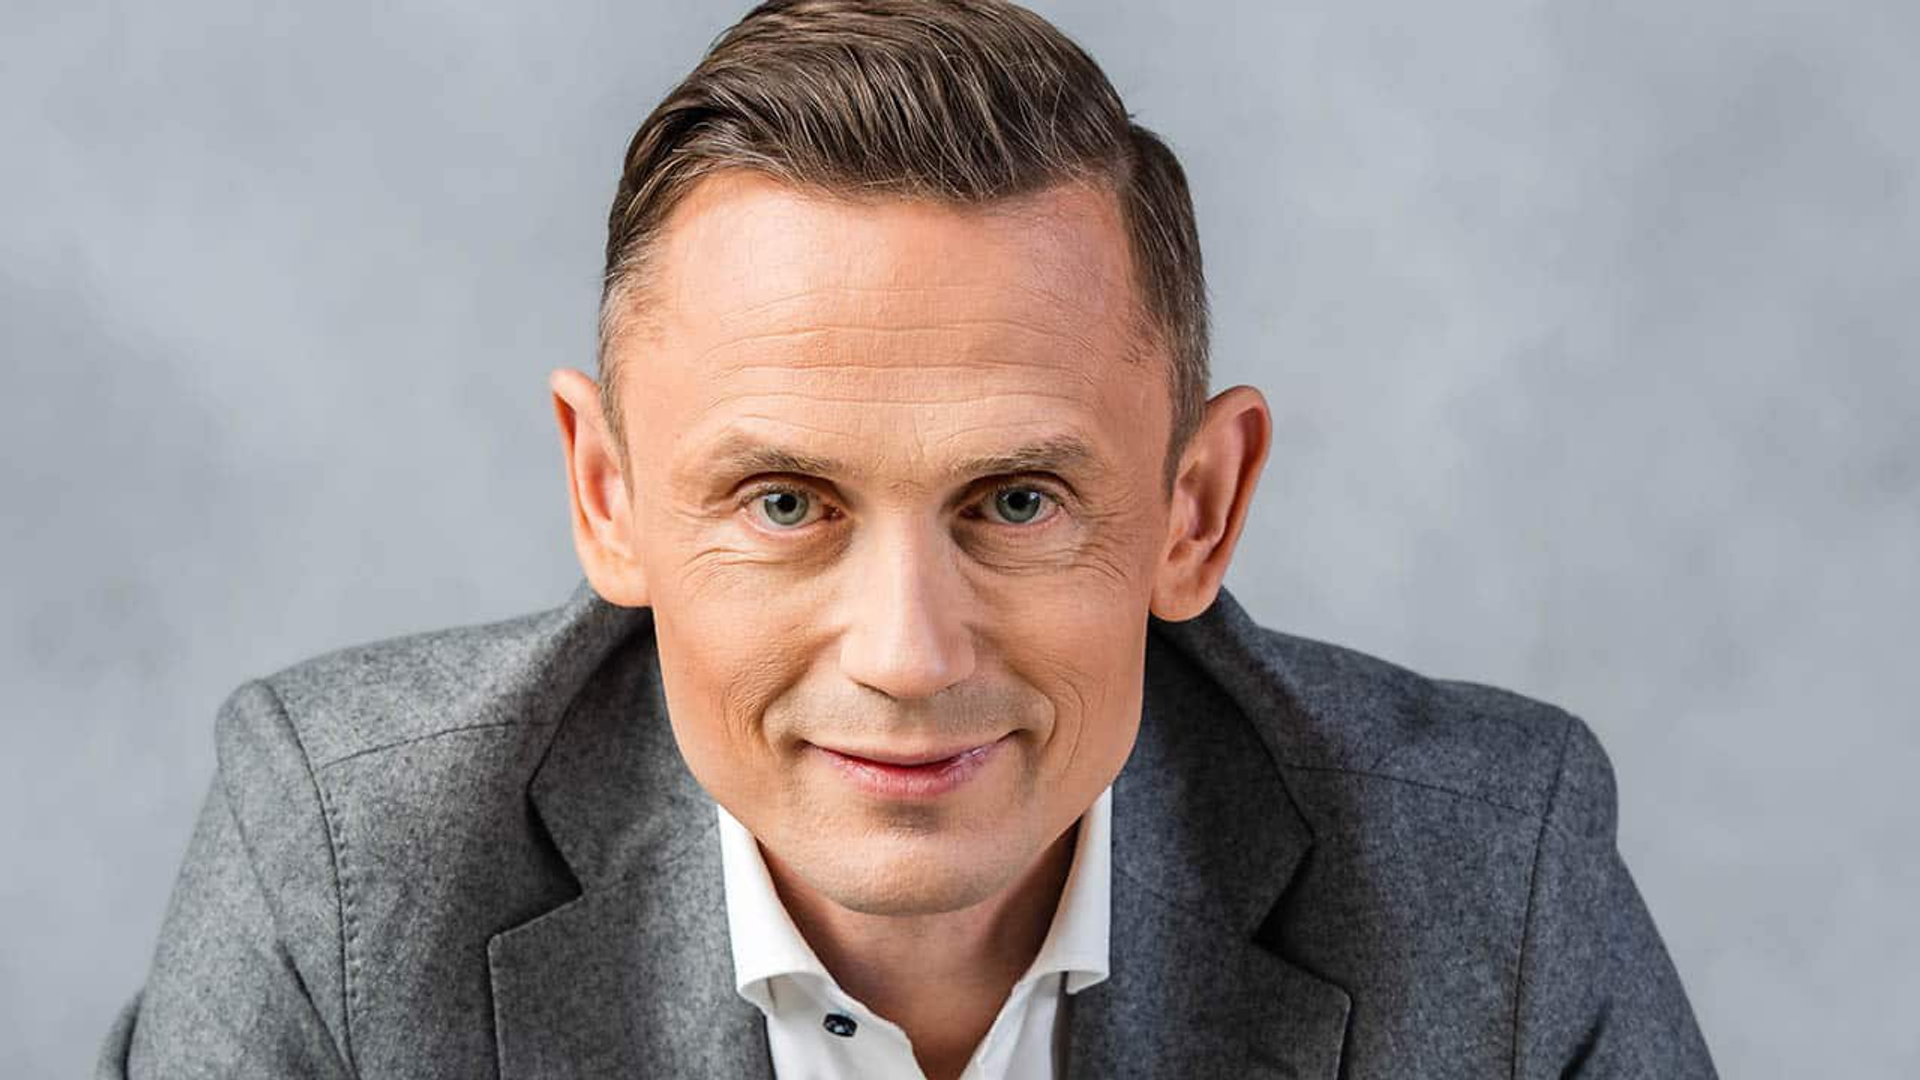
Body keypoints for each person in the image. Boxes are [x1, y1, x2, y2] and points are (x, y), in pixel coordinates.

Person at [98, 1, 1717, 1077]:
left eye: (1016, 503)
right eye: (784, 504)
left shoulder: (1488, 873)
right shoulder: (347, 867)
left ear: (1196, 510)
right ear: (608, 496)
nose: (908, 655)